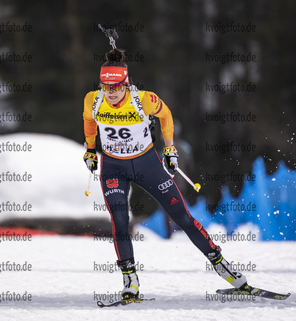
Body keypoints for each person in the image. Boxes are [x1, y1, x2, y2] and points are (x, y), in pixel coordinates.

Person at [82, 48, 249, 300]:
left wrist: (169, 147)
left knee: (182, 217)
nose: (111, 92)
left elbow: (166, 115)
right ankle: (130, 280)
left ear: (126, 84)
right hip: (114, 167)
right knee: (119, 221)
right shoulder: (93, 100)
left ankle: (222, 265)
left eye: (115, 87)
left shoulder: (143, 100)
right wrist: (91, 149)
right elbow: (89, 121)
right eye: (106, 87)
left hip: (147, 164)